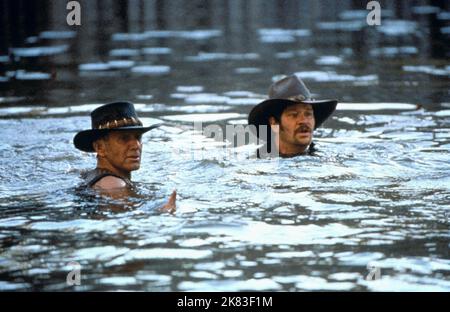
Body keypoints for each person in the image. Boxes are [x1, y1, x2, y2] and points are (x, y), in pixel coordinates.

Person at [73, 101, 176, 212]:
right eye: (124, 138)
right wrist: (164, 212)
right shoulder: (115, 185)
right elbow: (128, 223)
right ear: (99, 148)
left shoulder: (88, 175)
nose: (136, 145)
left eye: (138, 137)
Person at [248, 75, 338, 158]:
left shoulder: (327, 158)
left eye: (308, 114)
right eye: (294, 115)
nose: (304, 121)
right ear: (274, 122)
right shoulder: (256, 163)